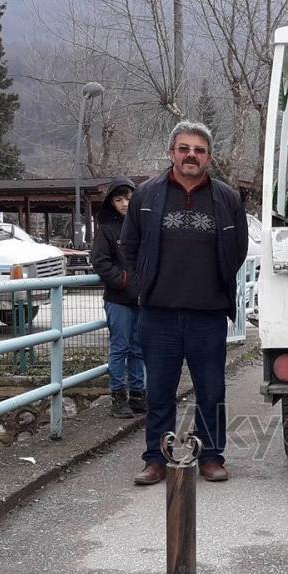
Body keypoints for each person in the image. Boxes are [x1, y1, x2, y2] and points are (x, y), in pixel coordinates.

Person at [121, 121, 247, 484]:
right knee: (159, 390)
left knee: (211, 389)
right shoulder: (146, 196)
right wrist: (140, 288)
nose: (191, 155)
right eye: (184, 148)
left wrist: (216, 285)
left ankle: (211, 456)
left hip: (207, 314)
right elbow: (129, 247)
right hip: (158, 313)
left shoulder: (226, 198)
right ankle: (156, 459)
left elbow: (237, 249)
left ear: (208, 156)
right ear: (171, 152)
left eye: (199, 150)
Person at [91, 177, 146, 418]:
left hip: (142, 298)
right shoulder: (107, 229)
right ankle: (117, 397)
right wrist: (122, 280)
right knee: (120, 347)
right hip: (118, 299)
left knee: (138, 348)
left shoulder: (144, 226)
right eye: (119, 199)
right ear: (111, 203)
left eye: (129, 198)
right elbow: (99, 261)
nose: (125, 203)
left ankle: (138, 394)